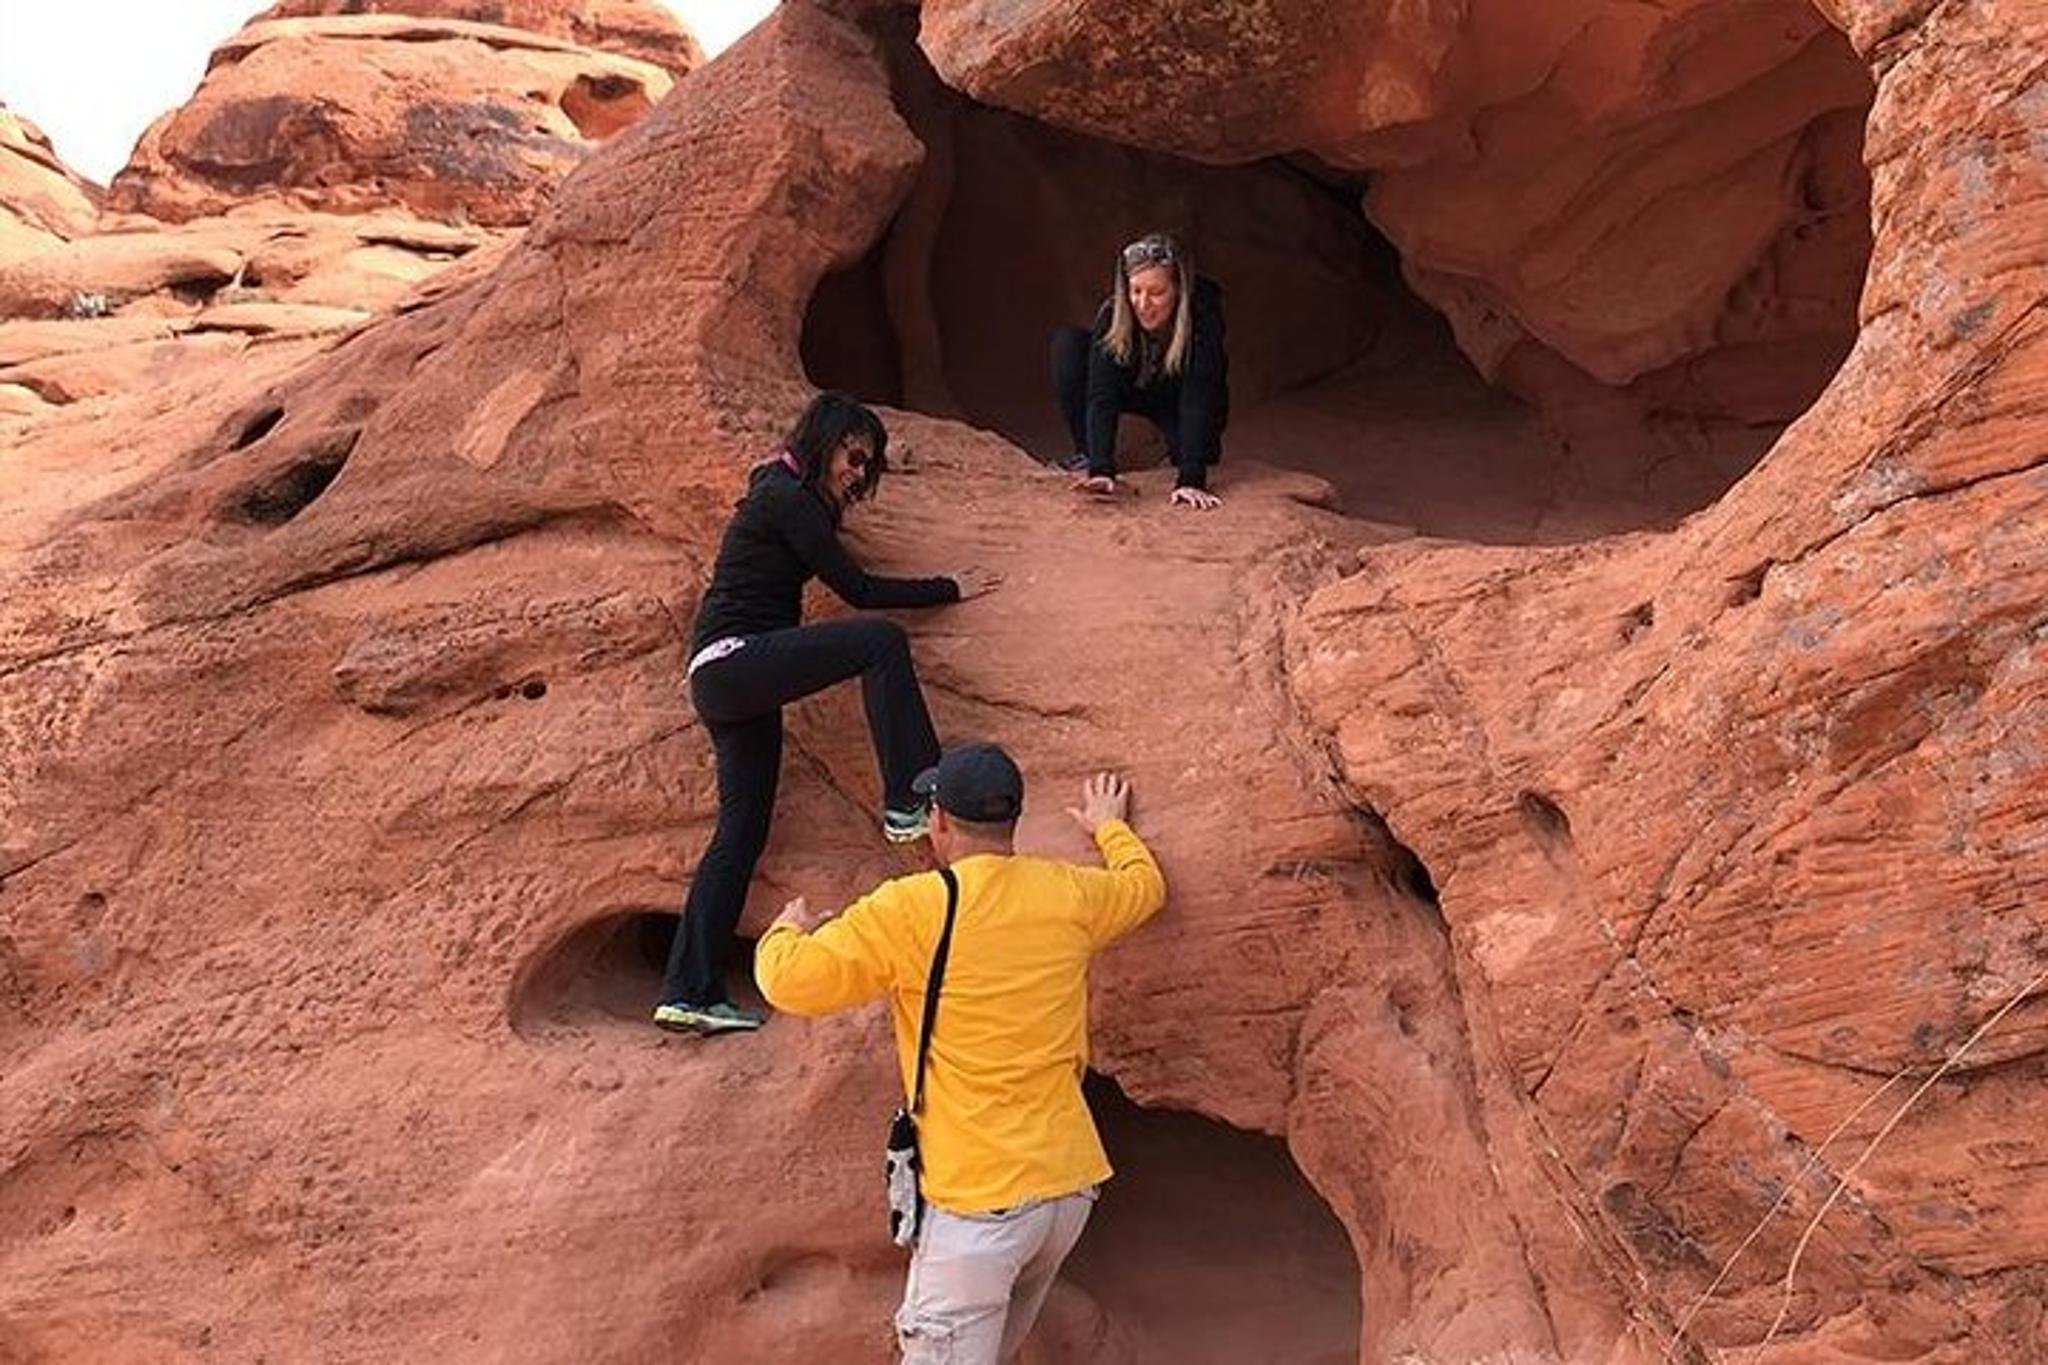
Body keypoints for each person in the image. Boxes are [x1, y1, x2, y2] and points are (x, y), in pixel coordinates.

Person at [754, 747, 1167, 1365]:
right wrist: (1111, 828)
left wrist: (785, 929)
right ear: (1013, 819)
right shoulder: (1066, 893)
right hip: (1064, 1189)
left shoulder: (913, 908)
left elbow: (788, 982)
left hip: (981, 1204)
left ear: (940, 821)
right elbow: (1144, 888)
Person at [652, 393, 1001, 1037]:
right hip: (735, 661)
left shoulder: (780, 492)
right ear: (823, 440)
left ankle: (688, 991)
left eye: (867, 465)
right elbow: (859, 591)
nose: (857, 474)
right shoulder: (789, 500)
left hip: (726, 677)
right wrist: (951, 587)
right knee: (880, 641)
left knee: (742, 831)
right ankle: (911, 798)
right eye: (853, 457)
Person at [1049, 231, 1229, 511]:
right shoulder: (1114, 314)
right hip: (1133, 385)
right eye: (1136, 291)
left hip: (1176, 395)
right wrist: (1101, 469)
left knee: (1200, 453)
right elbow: (1101, 394)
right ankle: (1088, 452)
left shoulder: (1203, 319)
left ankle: (1164, 446)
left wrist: (1191, 479)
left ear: (1179, 290)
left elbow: (1199, 395)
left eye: (1157, 293)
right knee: (1069, 344)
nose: (1143, 305)